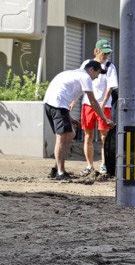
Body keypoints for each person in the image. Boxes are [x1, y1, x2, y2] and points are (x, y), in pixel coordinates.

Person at [43, 60, 112, 180]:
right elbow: (93, 102)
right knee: (62, 138)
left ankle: (56, 168)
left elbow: (63, 95)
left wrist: (70, 119)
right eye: (97, 73)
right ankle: (60, 172)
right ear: (91, 69)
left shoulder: (72, 74)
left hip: (50, 104)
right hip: (57, 105)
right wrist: (105, 119)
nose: (96, 78)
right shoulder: (85, 77)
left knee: (70, 134)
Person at [72, 39, 118, 176]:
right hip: (88, 104)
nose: (105, 56)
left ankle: (104, 164)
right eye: (103, 53)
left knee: (104, 136)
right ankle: (89, 165)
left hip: (105, 105)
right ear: (96, 51)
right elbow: (80, 83)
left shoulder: (110, 66)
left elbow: (111, 86)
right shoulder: (87, 64)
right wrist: (74, 101)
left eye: (108, 53)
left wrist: (103, 103)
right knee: (88, 135)